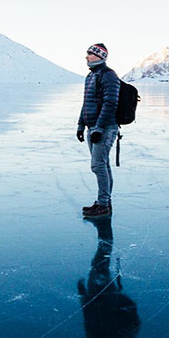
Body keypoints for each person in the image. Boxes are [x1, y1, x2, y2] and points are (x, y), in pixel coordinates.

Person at [76, 43, 120, 217]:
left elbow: (110, 103)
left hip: (105, 127)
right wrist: (81, 125)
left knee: (98, 165)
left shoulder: (109, 75)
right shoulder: (90, 76)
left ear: (100, 56)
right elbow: (86, 103)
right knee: (102, 165)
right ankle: (104, 202)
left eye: (90, 54)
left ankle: (103, 204)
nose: (86, 57)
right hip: (92, 127)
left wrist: (99, 128)